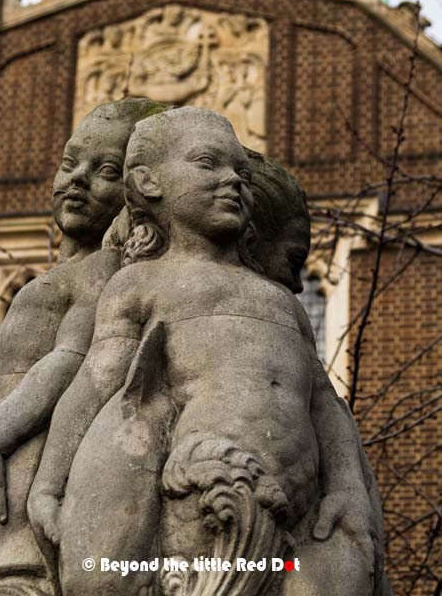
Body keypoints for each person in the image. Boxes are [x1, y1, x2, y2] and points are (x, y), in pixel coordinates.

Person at [30, 107, 380, 596]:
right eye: (207, 163)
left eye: (238, 170)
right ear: (149, 182)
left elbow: (326, 405)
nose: (232, 180)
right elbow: (97, 382)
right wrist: (48, 486)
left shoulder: (280, 300)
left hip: (291, 507)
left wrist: (347, 488)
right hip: (197, 495)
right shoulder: (140, 284)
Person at [0, 97, 166, 596]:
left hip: (11, 459)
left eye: (106, 170)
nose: (78, 179)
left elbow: (66, 362)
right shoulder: (68, 274)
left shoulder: (102, 273)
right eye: (71, 164)